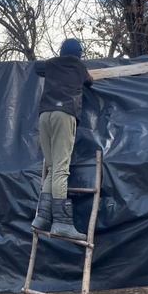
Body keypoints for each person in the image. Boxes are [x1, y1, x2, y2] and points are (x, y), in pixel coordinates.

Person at [31, 38, 93, 241]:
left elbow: (36, 68)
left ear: (61, 51)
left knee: (51, 166)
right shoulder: (79, 67)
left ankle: (41, 217)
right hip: (64, 115)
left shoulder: (50, 64)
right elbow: (90, 81)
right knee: (61, 169)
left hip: (44, 116)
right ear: (79, 54)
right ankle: (61, 223)